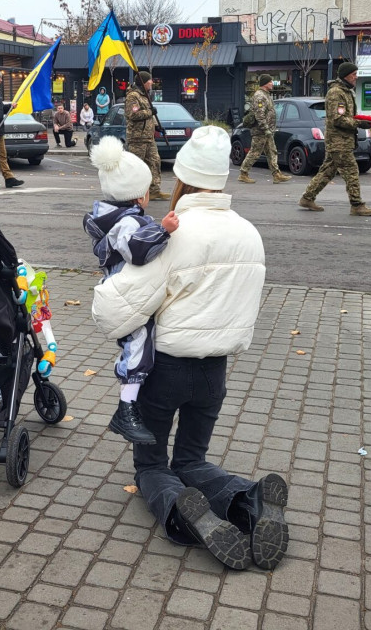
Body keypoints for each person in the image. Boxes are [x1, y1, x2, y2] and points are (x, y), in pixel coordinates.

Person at [91, 126, 288, 571]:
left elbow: (118, 309)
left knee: (152, 467)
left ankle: (183, 511)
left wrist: (105, 285)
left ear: (182, 176)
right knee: (192, 459)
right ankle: (246, 499)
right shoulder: (248, 233)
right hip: (215, 370)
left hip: (166, 370)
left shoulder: (175, 234)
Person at [85, 136, 179, 445]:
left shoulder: (113, 216)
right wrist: (162, 229)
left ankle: (130, 402)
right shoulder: (125, 224)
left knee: (139, 345)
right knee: (138, 348)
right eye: (148, 191)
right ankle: (125, 409)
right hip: (125, 294)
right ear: (137, 197)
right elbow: (137, 251)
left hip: (123, 291)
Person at [299, 63, 371, 215]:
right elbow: (338, 119)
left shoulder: (346, 92)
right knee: (351, 170)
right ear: (345, 76)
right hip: (338, 142)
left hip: (343, 140)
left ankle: (307, 198)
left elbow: (345, 116)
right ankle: (357, 205)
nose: (356, 77)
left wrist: (359, 120)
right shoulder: (336, 93)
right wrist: (359, 123)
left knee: (327, 171)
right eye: (354, 74)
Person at [239, 74, 291, 184]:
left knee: (272, 152)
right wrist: (265, 128)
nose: (272, 83)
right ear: (265, 83)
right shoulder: (260, 96)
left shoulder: (266, 95)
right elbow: (259, 115)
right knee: (255, 153)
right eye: (271, 81)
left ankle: (277, 175)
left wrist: (269, 130)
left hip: (268, 131)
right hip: (261, 131)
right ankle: (243, 173)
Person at [125, 71, 170, 201]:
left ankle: (154, 190)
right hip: (137, 138)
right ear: (143, 82)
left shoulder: (145, 96)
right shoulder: (133, 96)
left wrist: (157, 126)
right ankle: (132, 193)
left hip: (149, 137)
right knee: (136, 166)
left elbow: (149, 117)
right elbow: (133, 115)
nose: (151, 82)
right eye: (149, 80)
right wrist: (150, 112)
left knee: (155, 161)